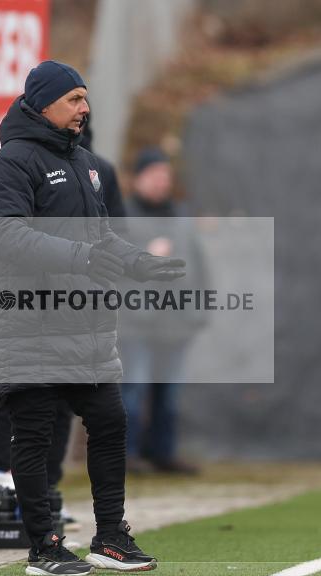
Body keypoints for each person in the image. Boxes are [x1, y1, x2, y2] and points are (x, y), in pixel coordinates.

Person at [0, 60, 185, 576]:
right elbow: (2, 236)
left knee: (111, 423)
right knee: (35, 436)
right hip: (30, 325)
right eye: (74, 99)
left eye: (85, 99)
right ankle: (44, 547)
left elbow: (100, 240)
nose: (84, 109)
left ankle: (110, 537)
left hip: (86, 329)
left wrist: (139, 264)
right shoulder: (10, 164)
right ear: (43, 103)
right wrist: (81, 258)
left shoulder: (87, 164)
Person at [119, 148, 208, 474]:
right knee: (133, 389)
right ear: (138, 178)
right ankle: (124, 456)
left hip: (176, 321)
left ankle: (162, 453)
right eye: (154, 175)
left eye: (165, 176)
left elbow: (199, 266)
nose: (160, 182)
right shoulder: (121, 216)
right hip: (134, 322)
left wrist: (200, 309)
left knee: (168, 394)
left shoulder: (181, 218)